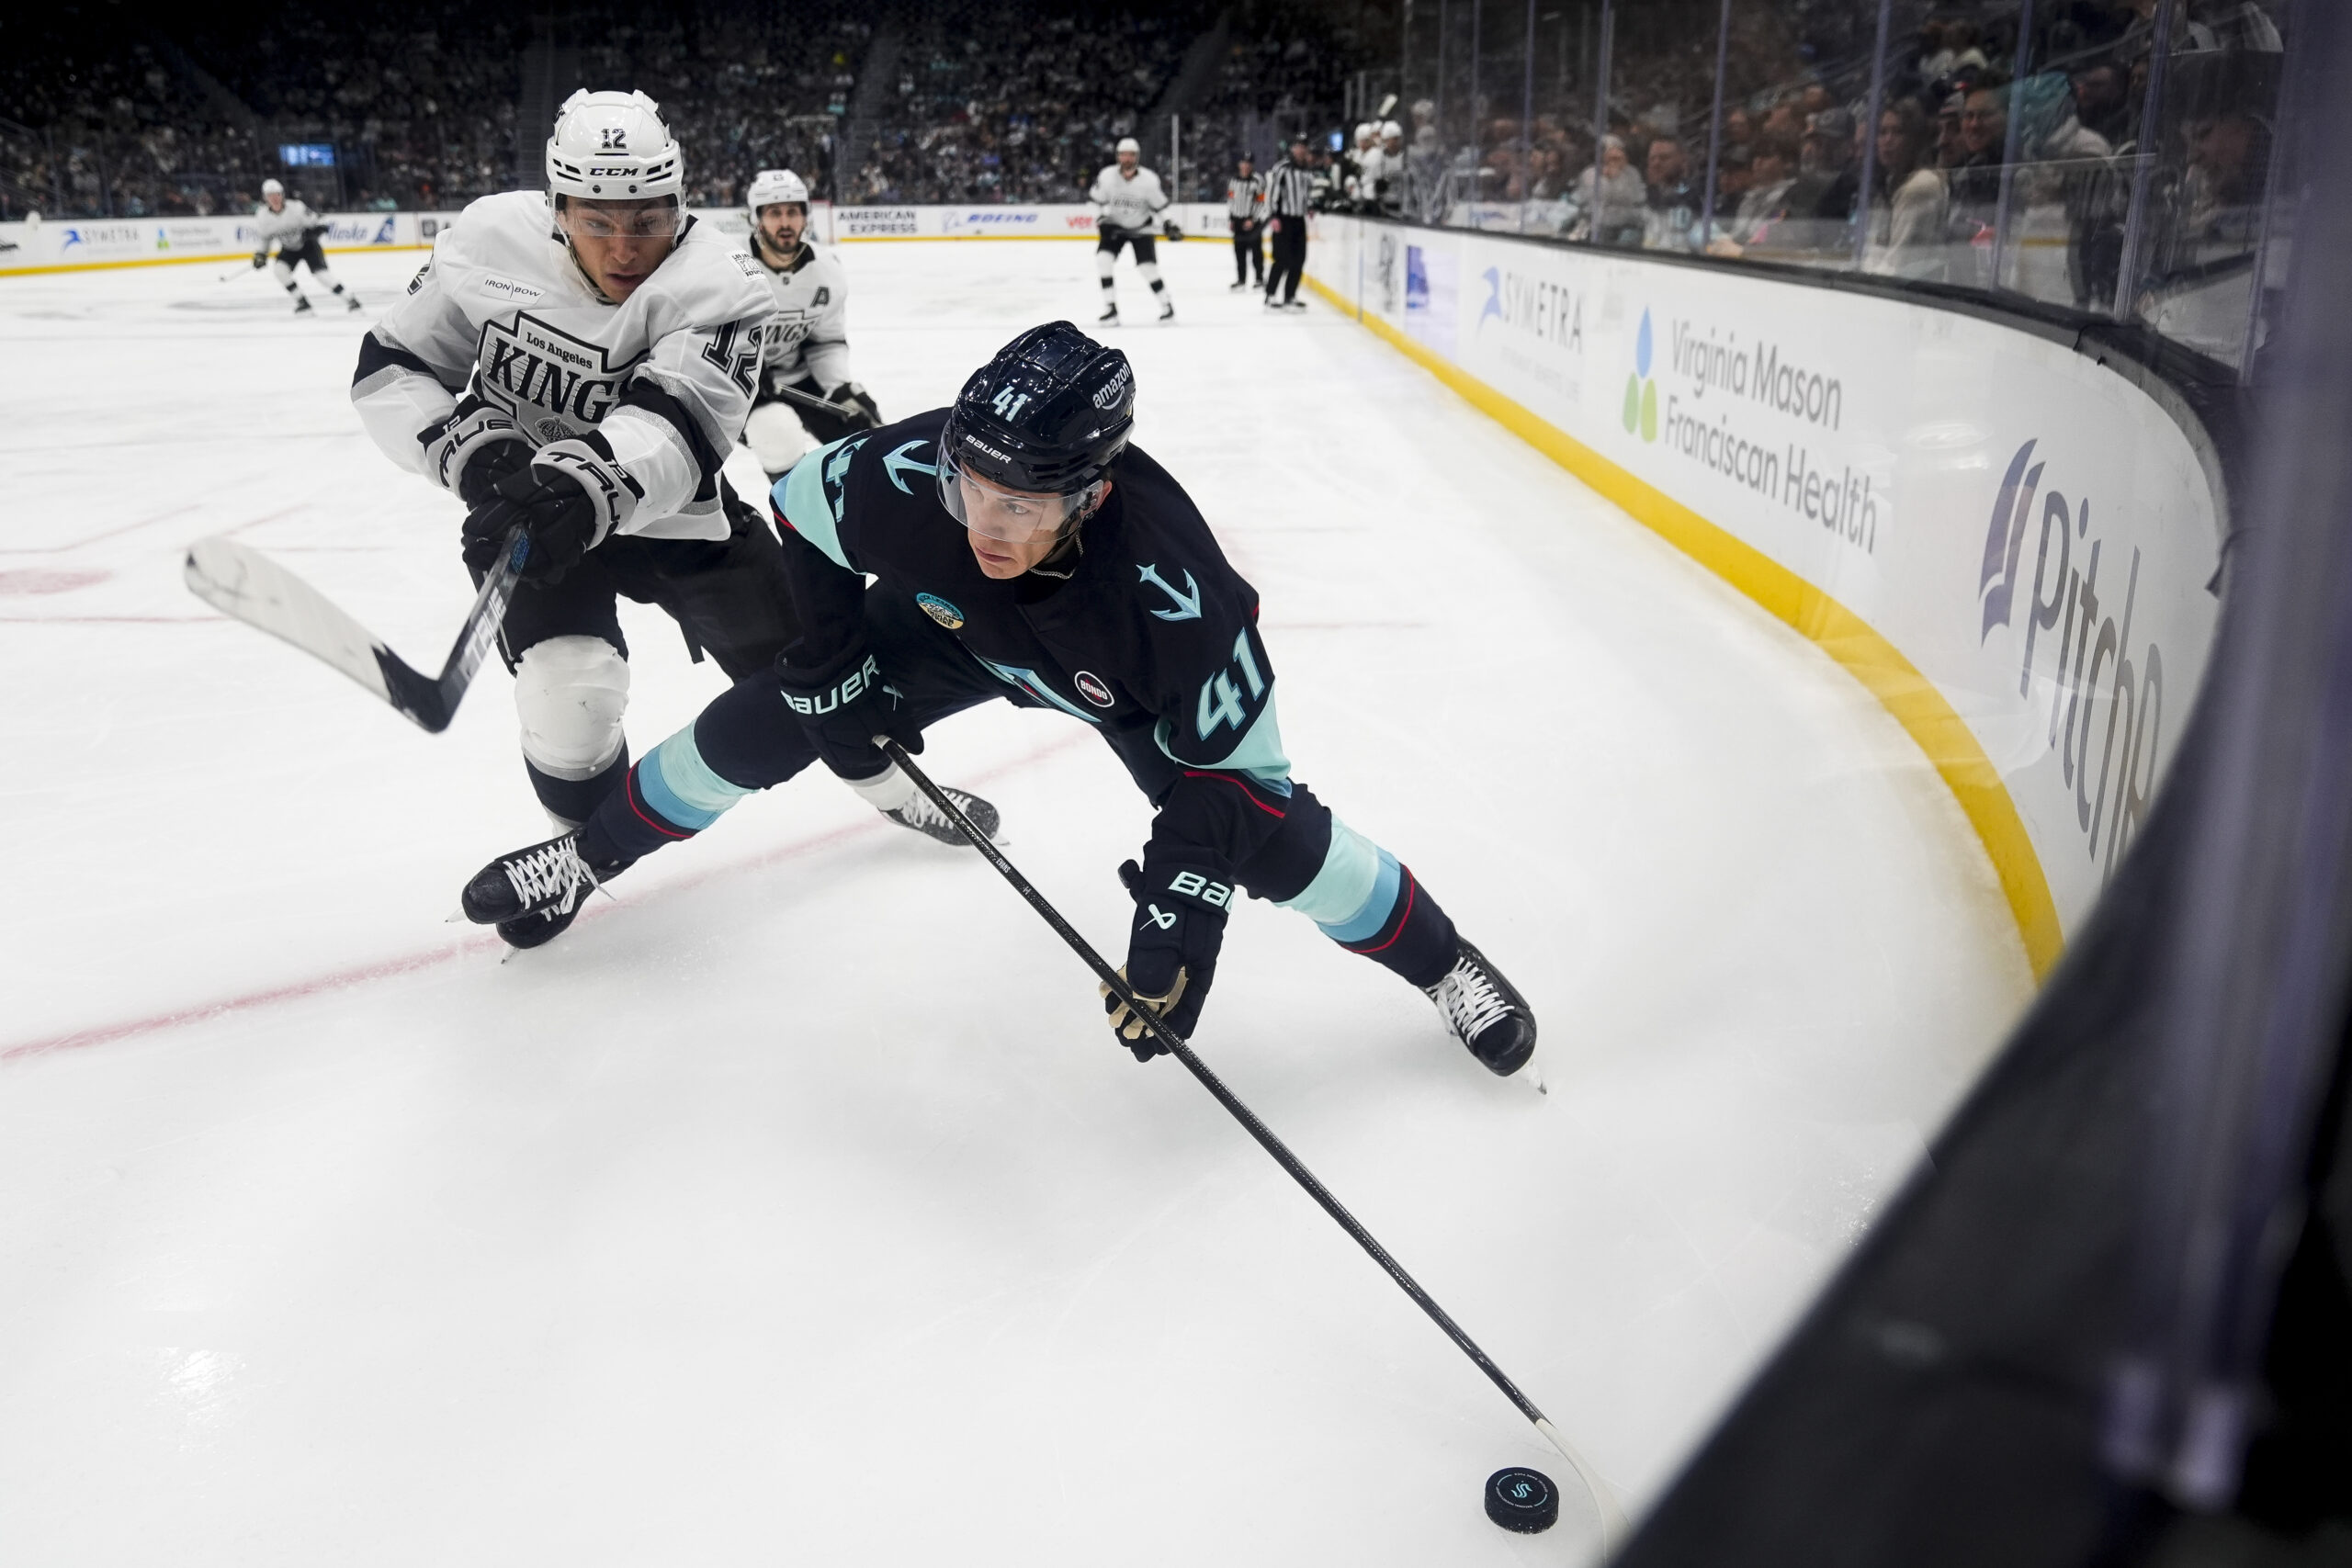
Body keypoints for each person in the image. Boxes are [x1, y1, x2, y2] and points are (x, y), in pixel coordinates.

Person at [456, 322, 1543, 1077]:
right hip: (955, 630)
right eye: (970, 484)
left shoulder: (1181, 601)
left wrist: (1174, 935)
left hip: (1125, 690)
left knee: (1281, 847)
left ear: (1092, 491)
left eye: (1023, 504)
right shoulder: (915, 474)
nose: (986, 520)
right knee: (774, 713)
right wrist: (829, 654)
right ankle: (584, 859)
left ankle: (1446, 965)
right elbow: (801, 512)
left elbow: (1232, 796)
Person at [348, 89, 997, 945]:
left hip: (677, 520)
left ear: (680, 201)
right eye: (597, 220)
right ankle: (575, 856)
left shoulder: (718, 285)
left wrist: (578, 482)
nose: (624, 248)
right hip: (534, 529)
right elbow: (392, 366)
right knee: (566, 693)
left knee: (821, 677)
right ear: (555, 207)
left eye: (647, 219)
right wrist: (476, 455)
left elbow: (678, 424)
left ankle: (899, 788)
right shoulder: (483, 240)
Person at [738, 166, 879, 483]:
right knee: (778, 433)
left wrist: (840, 387)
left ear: (806, 216)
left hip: (797, 378)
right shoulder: (727, 268)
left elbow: (825, 342)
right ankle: (798, 519)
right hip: (738, 386)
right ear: (756, 218)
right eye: (774, 213)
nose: (785, 222)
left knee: (866, 437)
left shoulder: (826, 271)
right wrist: (744, 373)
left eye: (793, 212)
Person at [1090, 136, 1178, 324]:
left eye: (1131, 155)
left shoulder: (1149, 180)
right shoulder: (1106, 176)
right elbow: (1095, 201)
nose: (1127, 159)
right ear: (1118, 157)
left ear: (1137, 157)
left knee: (1148, 268)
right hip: (1115, 227)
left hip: (1141, 228)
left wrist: (1169, 223)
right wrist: (1102, 220)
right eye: (1123, 155)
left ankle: (1166, 306)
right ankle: (1111, 308)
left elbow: (1160, 207)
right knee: (1103, 260)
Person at [1865, 98, 1950, 281]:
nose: (1887, 140)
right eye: (1883, 132)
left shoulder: (1921, 186)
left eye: (1898, 132)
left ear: (1914, 139)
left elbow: (1898, 265)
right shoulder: (1890, 183)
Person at [250, 177, 361, 314]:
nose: (274, 198)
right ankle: (302, 303)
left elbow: (319, 221)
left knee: (321, 274)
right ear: (265, 197)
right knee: (280, 270)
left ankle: (350, 299)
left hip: (308, 245)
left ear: (282, 194)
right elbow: (265, 239)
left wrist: (317, 230)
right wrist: (261, 254)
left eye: (277, 194)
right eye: (270, 195)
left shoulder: (296, 207)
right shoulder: (262, 216)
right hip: (289, 249)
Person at [1262, 133, 1315, 310]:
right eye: (1298, 146)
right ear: (1292, 148)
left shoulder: (1308, 171)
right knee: (1281, 258)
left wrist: (1310, 206)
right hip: (1283, 220)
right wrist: (1273, 216)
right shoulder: (1282, 168)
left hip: (1299, 220)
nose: (1301, 149)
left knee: (1299, 259)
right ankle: (1270, 295)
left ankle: (1290, 296)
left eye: (1304, 146)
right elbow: (1271, 193)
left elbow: (1308, 194)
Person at [1225, 154, 1267, 290]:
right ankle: (1241, 280)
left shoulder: (1258, 181)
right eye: (1243, 163)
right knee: (1239, 252)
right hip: (1238, 220)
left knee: (1256, 253)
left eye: (1248, 163)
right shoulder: (1233, 181)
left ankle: (1259, 279)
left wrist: (1253, 219)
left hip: (1253, 222)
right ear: (1239, 164)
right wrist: (1231, 218)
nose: (1246, 166)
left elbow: (1261, 202)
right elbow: (1231, 200)